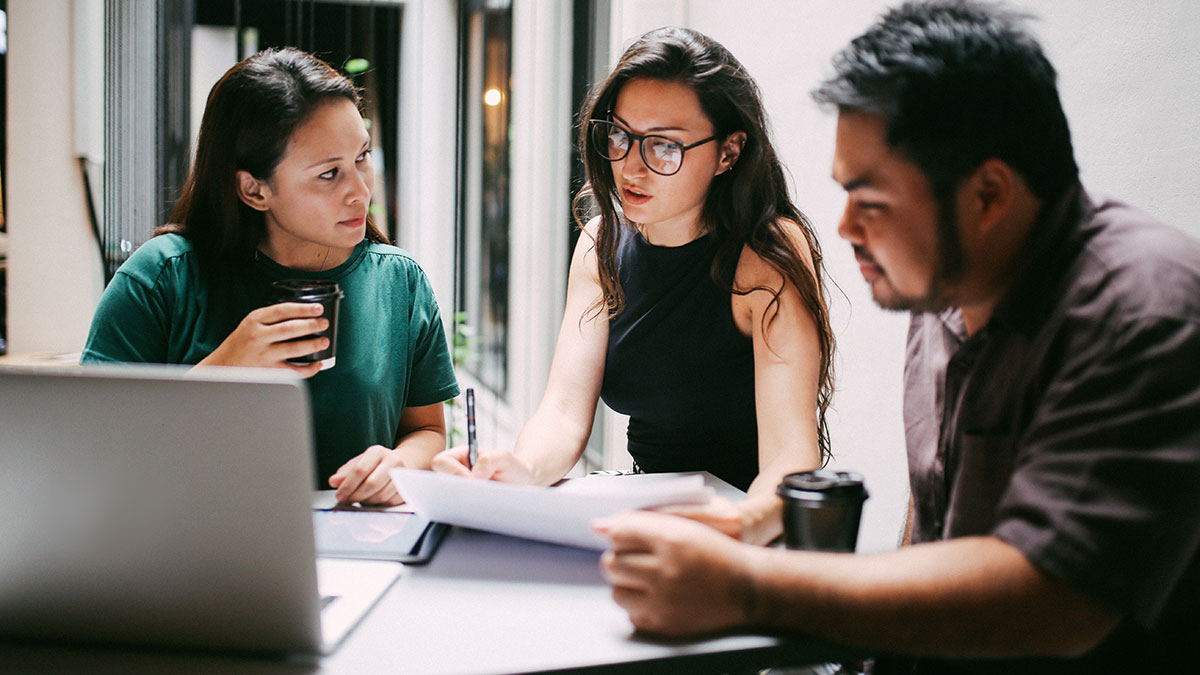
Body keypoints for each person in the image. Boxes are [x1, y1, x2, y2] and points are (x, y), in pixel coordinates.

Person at [594, 2, 1200, 672]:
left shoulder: (1145, 310)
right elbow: (936, 524)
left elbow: (1055, 594)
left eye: (872, 201)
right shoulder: (946, 291)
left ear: (988, 195)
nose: (847, 226)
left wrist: (746, 584)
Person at [433, 26, 836, 545]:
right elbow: (561, 414)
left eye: (663, 146)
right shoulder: (603, 242)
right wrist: (517, 471)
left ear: (729, 152)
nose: (630, 165)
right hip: (647, 515)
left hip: (751, 526)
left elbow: (789, 455)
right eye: (620, 136)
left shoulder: (766, 254)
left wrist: (737, 529)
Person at [81, 48, 459, 505]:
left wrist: (400, 465)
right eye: (328, 174)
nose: (360, 191)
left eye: (362, 157)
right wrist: (224, 370)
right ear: (254, 189)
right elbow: (90, 447)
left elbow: (426, 430)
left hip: (362, 551)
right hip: (186, 549)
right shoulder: (162, 277)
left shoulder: (400, 282)